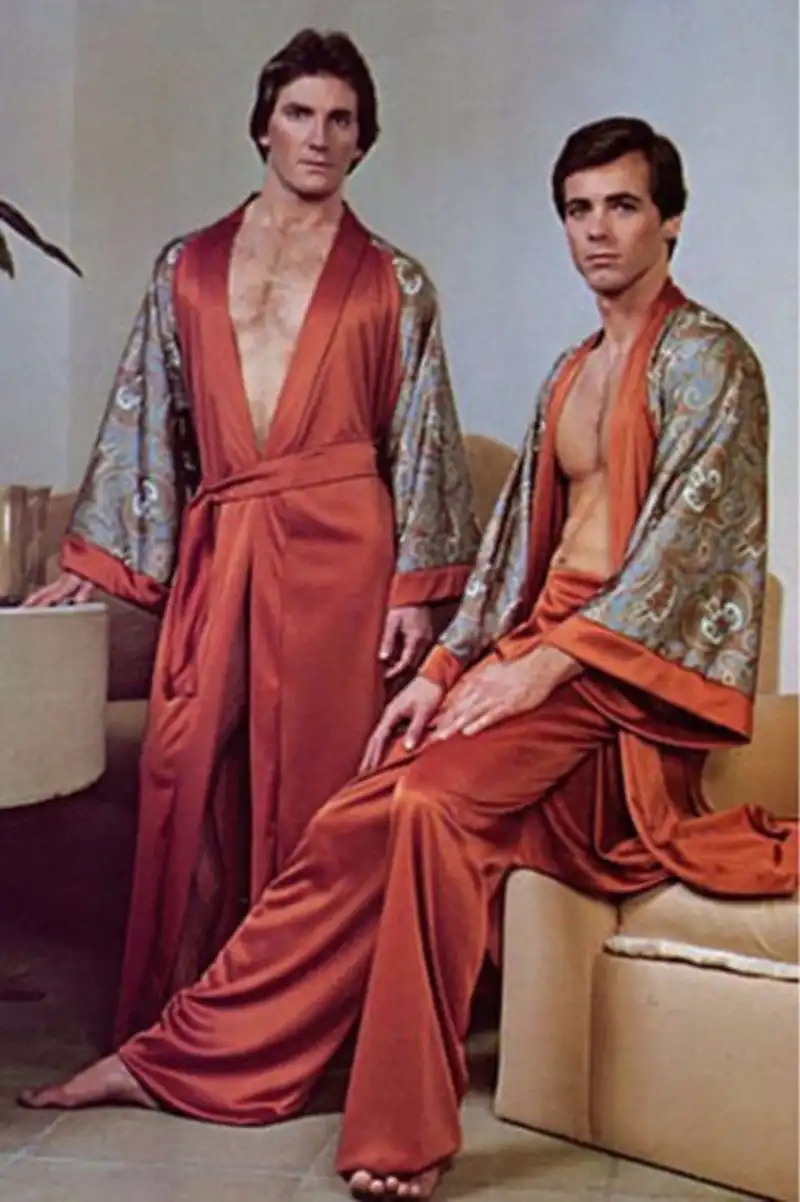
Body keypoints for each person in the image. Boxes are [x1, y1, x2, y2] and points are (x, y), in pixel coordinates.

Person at [21, 117, 798, 1201]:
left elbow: (684, 555)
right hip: (535, 661)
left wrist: (534, 671)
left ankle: (402, 1134)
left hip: (615, 691)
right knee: (358, 814)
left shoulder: (710, 360)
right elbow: (511, 555)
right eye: (577, 210)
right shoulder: (571, 372)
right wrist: (441, 673)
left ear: (669, 221)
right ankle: (178, 1055)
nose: (596, 231)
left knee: (430, 809)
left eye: (622, 207)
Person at [24, 29, 480, 1044]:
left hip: (344, 550)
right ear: (263, 125)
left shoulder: (394, 281)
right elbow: (147, 416)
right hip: (224, 535)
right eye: (299, 113)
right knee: (186, 766)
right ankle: (186, 1011)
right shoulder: (186, 267)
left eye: (340, 120)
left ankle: (297, 1027)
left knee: (318, 785)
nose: (318, 136)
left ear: (362, 141)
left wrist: (413, 591)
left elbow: (421, 441)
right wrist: (92, 563)